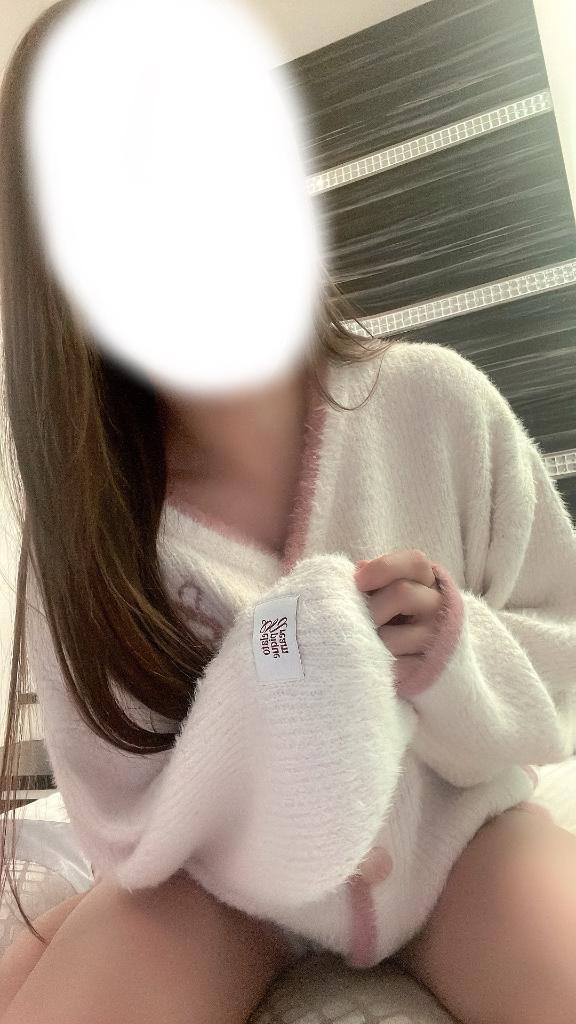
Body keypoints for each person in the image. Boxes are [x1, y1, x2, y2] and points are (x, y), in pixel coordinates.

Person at [0, 4, 575, 1024]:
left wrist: (453, 653)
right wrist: (266, 698)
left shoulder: (437, 404)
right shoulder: (87, 537)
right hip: (216, 891)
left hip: (458, 839)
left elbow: (566, 651)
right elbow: (118, 821)